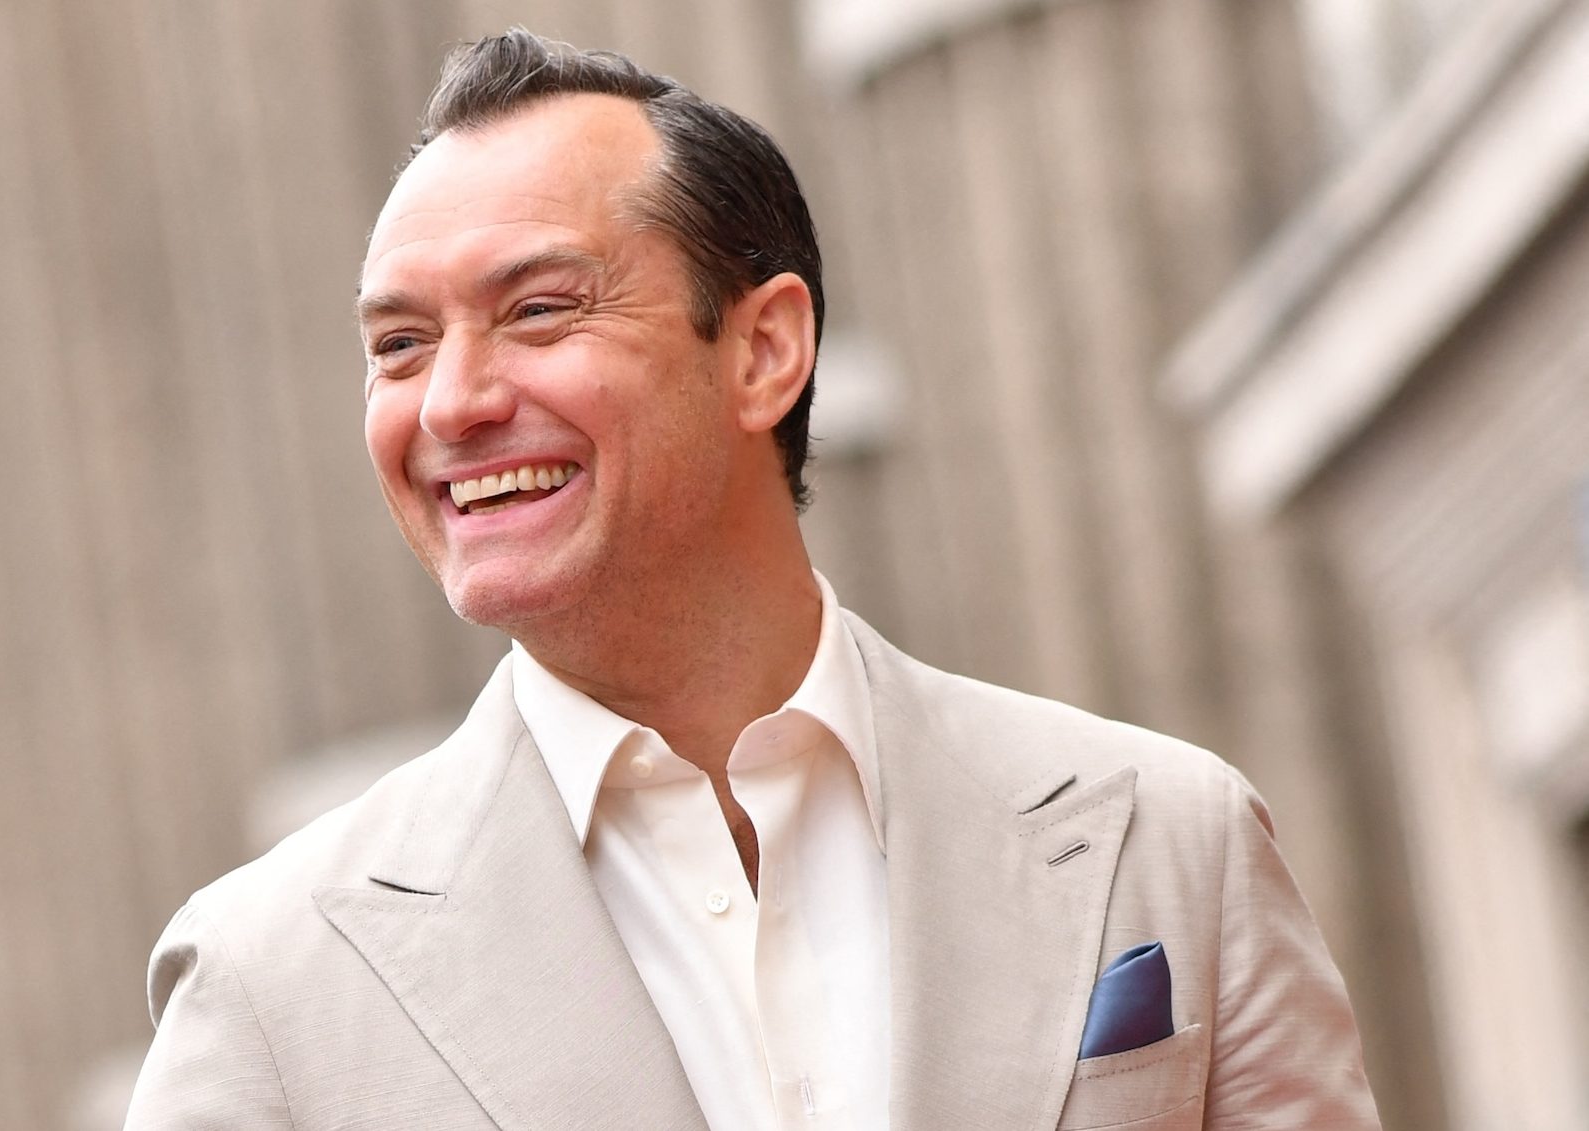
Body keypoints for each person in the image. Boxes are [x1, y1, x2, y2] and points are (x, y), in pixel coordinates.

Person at [125, 29, 1381, 1131]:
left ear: (764, 349)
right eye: (399, 345)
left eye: (539, 312)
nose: (452, 401)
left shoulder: (1169, 837)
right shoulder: (268, 987)